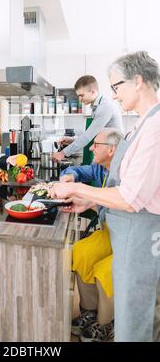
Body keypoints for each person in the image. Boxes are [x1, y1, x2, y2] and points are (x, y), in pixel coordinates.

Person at [50, 51, 160, 342]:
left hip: (140, 238)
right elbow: (131, 188)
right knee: (127, 319)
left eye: (116, 86)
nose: (114, 94)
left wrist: (75, 188)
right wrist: (92, 201)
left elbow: (130, 198)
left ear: (137, 81)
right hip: (126, 235)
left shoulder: (155, 127)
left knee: (137, 324)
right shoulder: (141, 124)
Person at [60, 128, 122, 342]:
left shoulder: (126, 172)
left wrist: (90, 201)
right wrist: (68, 176)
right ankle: (89, 313)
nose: (91, 148)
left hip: (128, 238)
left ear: (112, 150)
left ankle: (106, 324)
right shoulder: (100, 169)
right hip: (109, 231)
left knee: (104, 270)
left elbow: (125, 206)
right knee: (81, 251)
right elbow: (79, 171)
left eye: (97, 144)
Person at [53, 75, 123, 163]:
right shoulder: (98, 106)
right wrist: (72, 140)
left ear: (93, 92)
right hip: (108, 153)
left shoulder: (104, 107)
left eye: (81, 95)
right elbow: (93, 134)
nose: (80, 99)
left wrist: (63, 153)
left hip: (113, 155)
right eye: (78, 96)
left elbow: (88, 136)